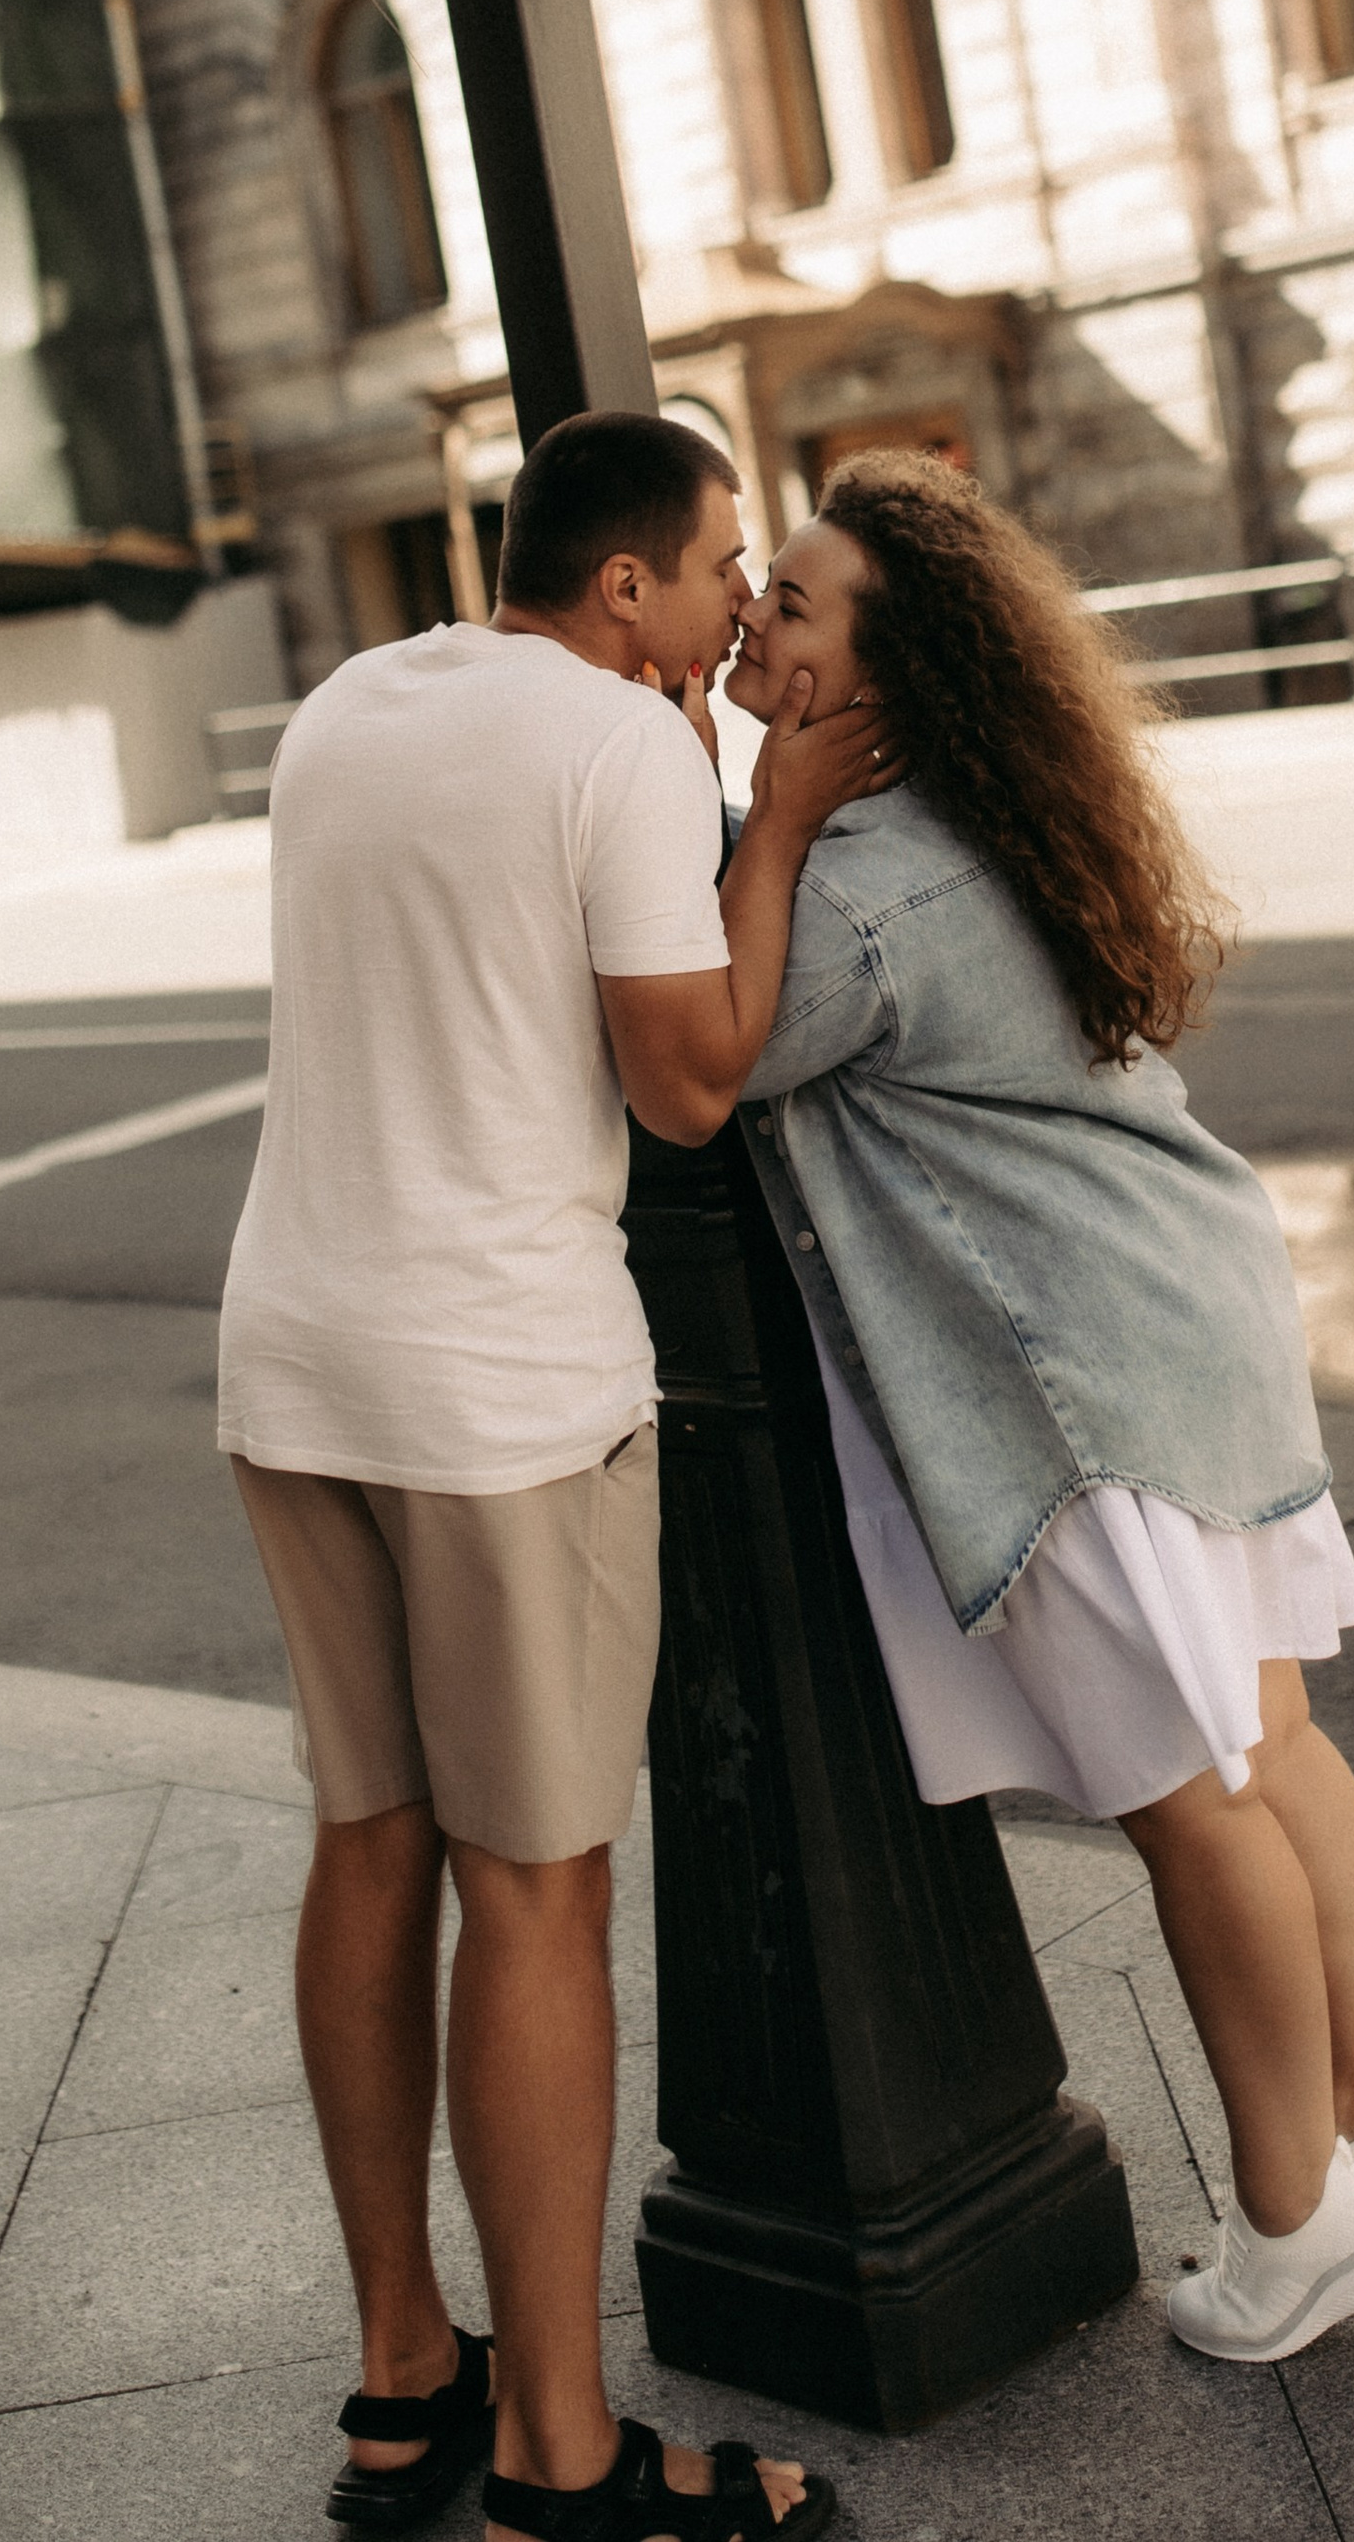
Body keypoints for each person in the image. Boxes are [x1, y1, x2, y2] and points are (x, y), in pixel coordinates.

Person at [720, 449, 1354, 2367]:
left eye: (792, 603)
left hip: (1079, 1382)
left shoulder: (860, 893)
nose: (751, 618)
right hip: (1183, 1318)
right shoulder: (988, 814)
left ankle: (1300, 2221)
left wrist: (772, 817)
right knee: (1271, 1745)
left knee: (1195, 1800)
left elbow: (709, 1061)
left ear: (885, 680)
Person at [217, 410, 887, 2542]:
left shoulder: (349, 704)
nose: (732, 608)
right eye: (718, 571)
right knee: (535, 1889)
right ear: (625, 585)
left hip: (293, 1356)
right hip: (497, 1394)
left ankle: (406, 2378)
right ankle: (563, 2463)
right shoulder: (619, 746)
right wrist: (776, 821)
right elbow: (687, 1084)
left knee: (368, 1843)